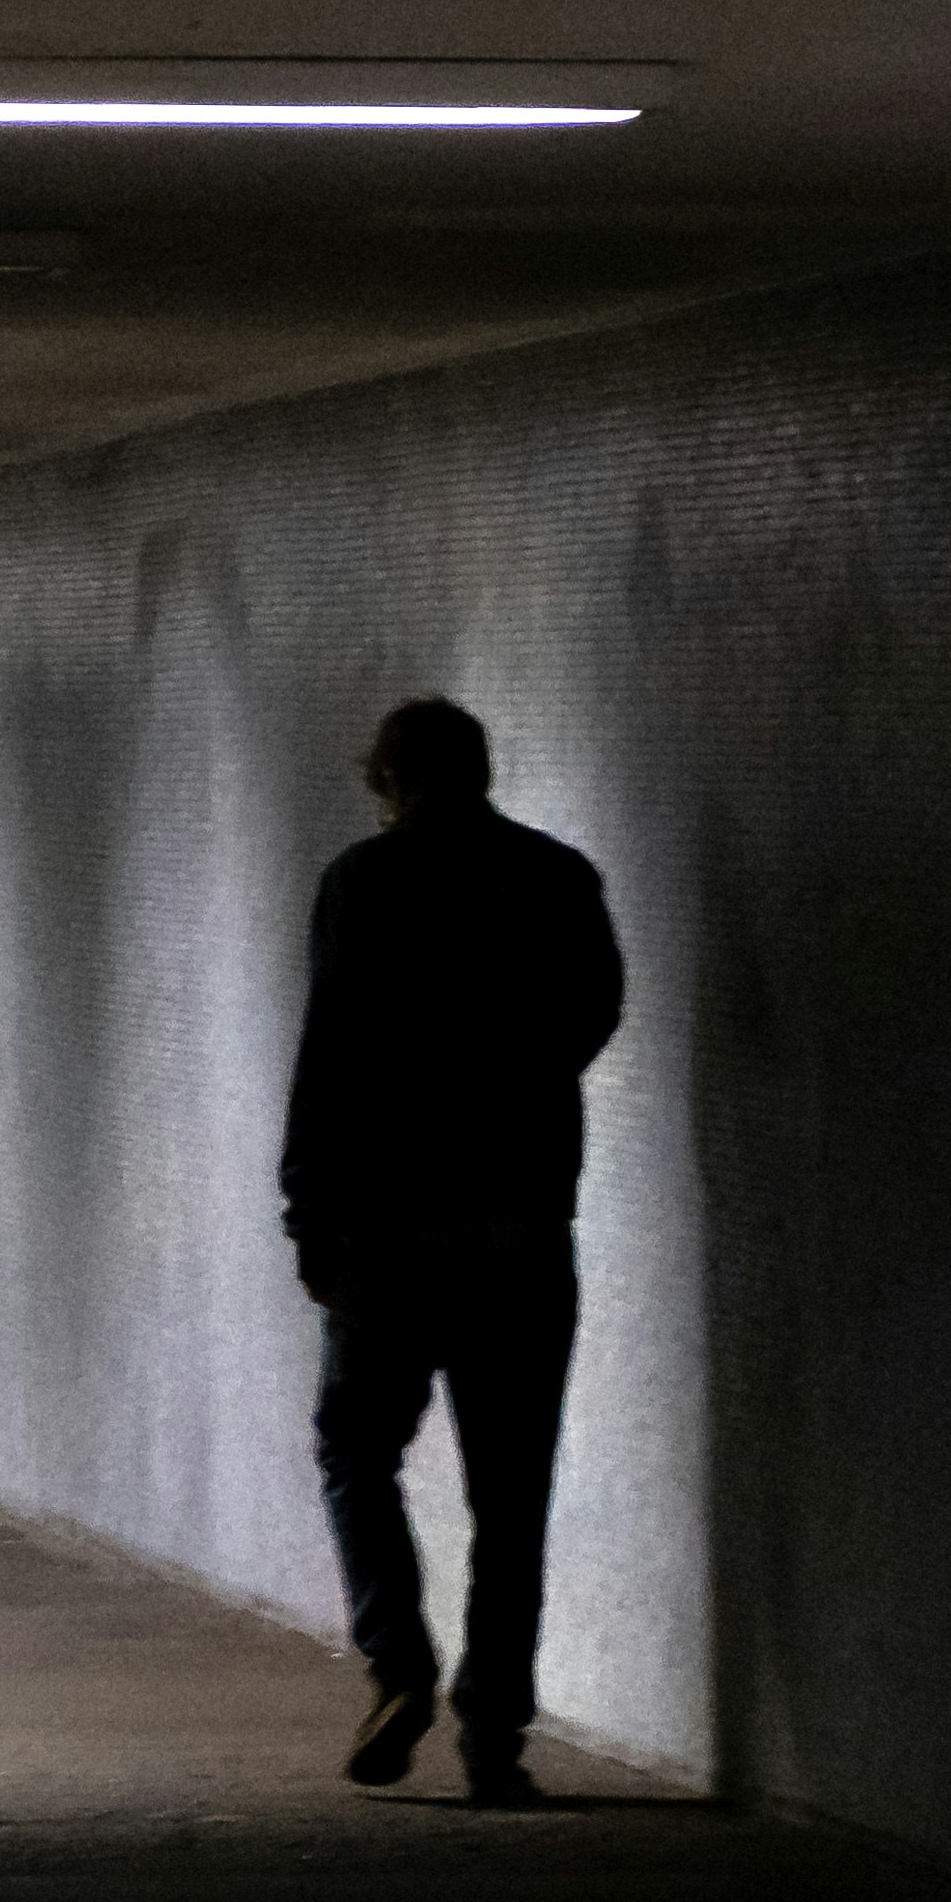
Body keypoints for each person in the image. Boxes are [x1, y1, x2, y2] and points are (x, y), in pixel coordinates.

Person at [282, 698, 624, 1803]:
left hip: (386, 1231)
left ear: (387, 777)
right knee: (510, 1496)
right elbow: (589, 1020)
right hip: (519, 1229)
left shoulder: (362, 883)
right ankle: (493, 1743)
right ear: (482, 772)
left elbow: (327, 1050)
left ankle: (398, 1663)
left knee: (354, 1450)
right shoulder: (559, 878)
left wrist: (310, 1215)